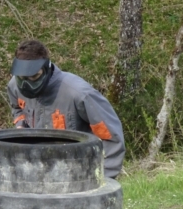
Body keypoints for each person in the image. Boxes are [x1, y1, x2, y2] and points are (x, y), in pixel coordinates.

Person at [7, 39, 125, 178]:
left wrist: (103, 179)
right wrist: (21, 127)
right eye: (23, 77)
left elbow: (111, 137)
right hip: (38, 170)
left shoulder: (79, 94)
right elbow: (17, 108)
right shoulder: (14, 86)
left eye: (34, 77)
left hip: (78, 172)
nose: (27, 84)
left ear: (46, 68)